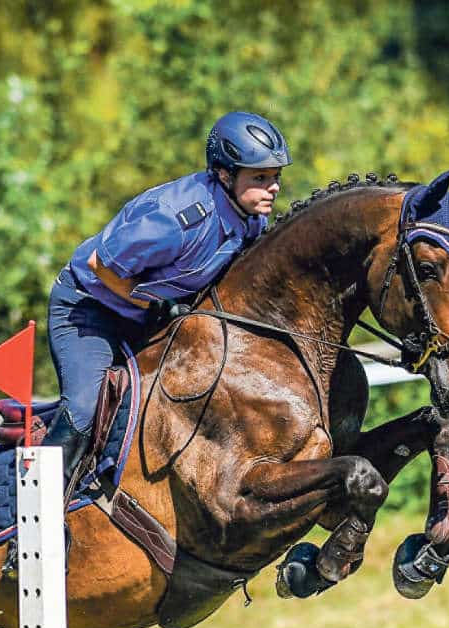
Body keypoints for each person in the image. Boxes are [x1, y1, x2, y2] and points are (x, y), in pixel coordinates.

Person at [41, 110, 289, 477]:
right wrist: (158, 305)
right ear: (225, 174)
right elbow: (99, 265)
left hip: (152, 314)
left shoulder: (252, 216)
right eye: (261, 178)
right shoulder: (174, 220)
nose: (274, 187)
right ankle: (35, 509)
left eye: (276, 177)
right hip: (89, 310)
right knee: (84, 409)